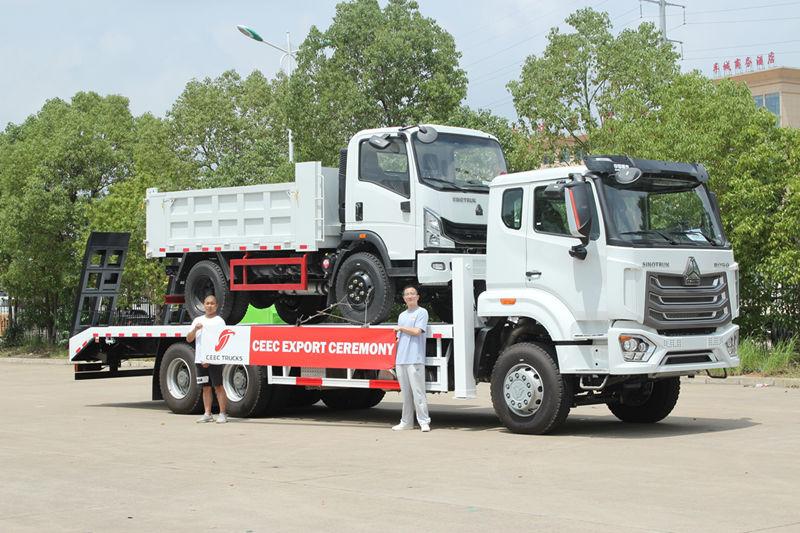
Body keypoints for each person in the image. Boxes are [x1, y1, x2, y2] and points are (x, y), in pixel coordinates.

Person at [392, 285, 431, 432]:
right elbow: (399, 338)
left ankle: (424, 421)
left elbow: (417, 331)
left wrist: (401, 329)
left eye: (412, 294)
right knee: (406, 394)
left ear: (417, 297)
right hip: (401, 359)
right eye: (407, 294)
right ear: (404, 298)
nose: (410, 296)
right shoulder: (402, 315)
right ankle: (406, 422)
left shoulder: (422, 312)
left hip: (415, 358)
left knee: (418, 392)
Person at [187, 294, 229, 424]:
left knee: (218, 386)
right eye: (207, 303)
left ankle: (222, 413)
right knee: (205, 387)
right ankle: (207, 413)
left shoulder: (219, 321)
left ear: (216, 306)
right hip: (200, 360)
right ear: (203, 305)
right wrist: (195, 329)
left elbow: (222, 341)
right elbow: (189, 339)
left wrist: (210, 358)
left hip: (214, 359)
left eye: (212, 303)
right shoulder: (197, 320)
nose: (209, 306)